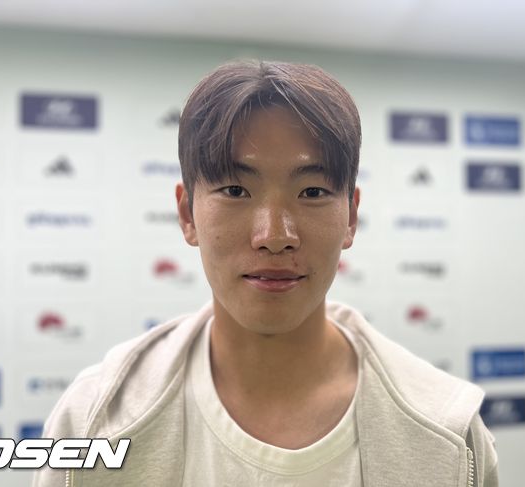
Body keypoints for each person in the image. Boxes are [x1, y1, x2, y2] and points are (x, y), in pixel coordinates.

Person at [33, 60, 498, 486]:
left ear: (351, 217)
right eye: (236, 190)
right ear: (187, 214)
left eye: (312, 192)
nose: (275, 236)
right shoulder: (92, 421)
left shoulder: (447, 431)